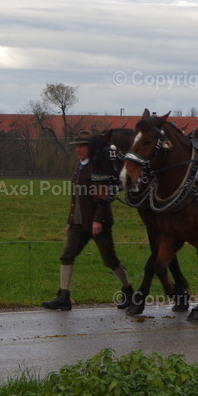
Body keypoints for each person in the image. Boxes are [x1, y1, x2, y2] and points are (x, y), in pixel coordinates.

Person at [42, 130, 135, 311]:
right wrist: (70, 221)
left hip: (98, 223)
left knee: (110, 260)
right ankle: (63, 296)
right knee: (67, 256)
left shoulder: (98, 167)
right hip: (79, 223)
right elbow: (75, 199)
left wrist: (98, 221)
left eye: (82, 146)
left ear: (91, 148)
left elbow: (104, 196)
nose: (78, 150)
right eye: (76, 146)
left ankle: (128, 290)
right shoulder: (79, 167)